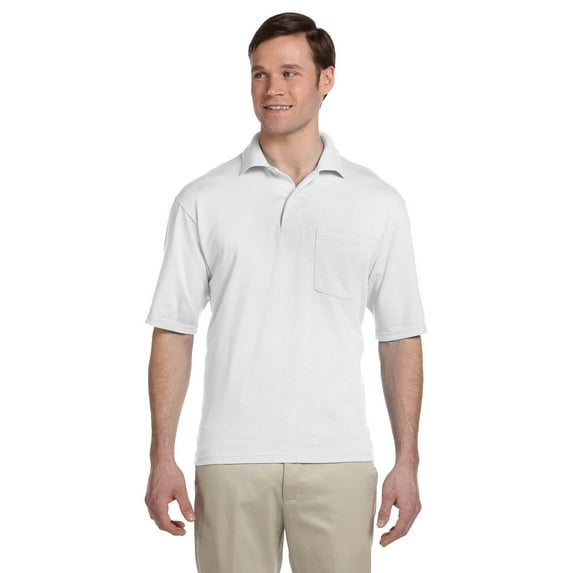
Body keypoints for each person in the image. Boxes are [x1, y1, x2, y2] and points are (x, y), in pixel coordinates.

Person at [144, 12, 426, 573]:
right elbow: (174, 329)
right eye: (260, 74)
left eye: (290, 72)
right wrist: (161, 457)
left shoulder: (378, 203)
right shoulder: (203, 199)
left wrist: (408, 461)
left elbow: (400, 337)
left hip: (339, 457)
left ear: (327, 79)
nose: (272, 88)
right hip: (230, 459)